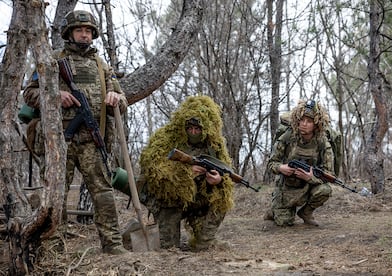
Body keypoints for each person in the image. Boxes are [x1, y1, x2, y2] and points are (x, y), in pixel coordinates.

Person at [23, 10, 128, 255]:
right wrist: (54, 95)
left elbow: (122, 100)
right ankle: (52, 248)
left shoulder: (101, 66)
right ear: (70, 33)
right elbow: (29, 93)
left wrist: (115, 98)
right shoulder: (52, 61)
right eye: (79, 30)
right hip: (59, 141)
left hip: (92, 140)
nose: (84, 35)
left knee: (103, 192)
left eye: (88, 31)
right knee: (56, 194)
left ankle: (112, 245)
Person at [139, 95, 234, 251]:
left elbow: (226, 172)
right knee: (169, 249)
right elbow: (153, 170)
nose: (193, 132)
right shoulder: (166, 138)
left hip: (196, 199)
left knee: (223, 197)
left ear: (207, 128)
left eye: (198, 129)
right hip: (168, 201)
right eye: (190, 128)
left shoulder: (213, 144)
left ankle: (204, 241)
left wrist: (218, 180)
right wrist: (186, 172)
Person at [266, 99, 334, 227]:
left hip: (309, 187)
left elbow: (329, 174)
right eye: (302, 120)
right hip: (287, 188)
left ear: (316, 124)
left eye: (309, 121)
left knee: (325, 190)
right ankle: (274, 211)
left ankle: (306, 212)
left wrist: (311, 177)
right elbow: (271, 163)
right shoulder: (287, 137)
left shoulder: (323, 143)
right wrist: (281, 168)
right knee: (284, 223)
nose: (304, 124)